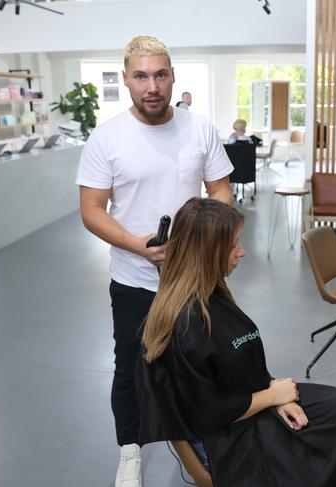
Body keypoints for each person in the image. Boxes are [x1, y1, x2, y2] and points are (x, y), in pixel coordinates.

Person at [137, 198, 336, 487]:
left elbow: (237, 369)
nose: (242, 252)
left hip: (249, 404)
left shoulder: (214, 294)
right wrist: (272, 397)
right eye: (233, 246)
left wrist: (274, 392)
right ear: (206, 252)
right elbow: (207, 415)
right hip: (226, 437)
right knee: (330, 450)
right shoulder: (186, 325)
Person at [75, 35, 233, 487]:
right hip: (134, 280)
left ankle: (206, 445)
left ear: (173, 76)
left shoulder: (199, 128)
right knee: (131, 368)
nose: (152, 86)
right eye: (141, 76)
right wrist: (135, 245)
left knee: (204, 364)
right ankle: (130, 451)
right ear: (126, 80)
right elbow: (91, 210)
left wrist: (207, 241)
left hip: (196, 279)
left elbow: (220, 189)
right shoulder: (107, 138)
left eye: (160, 75)